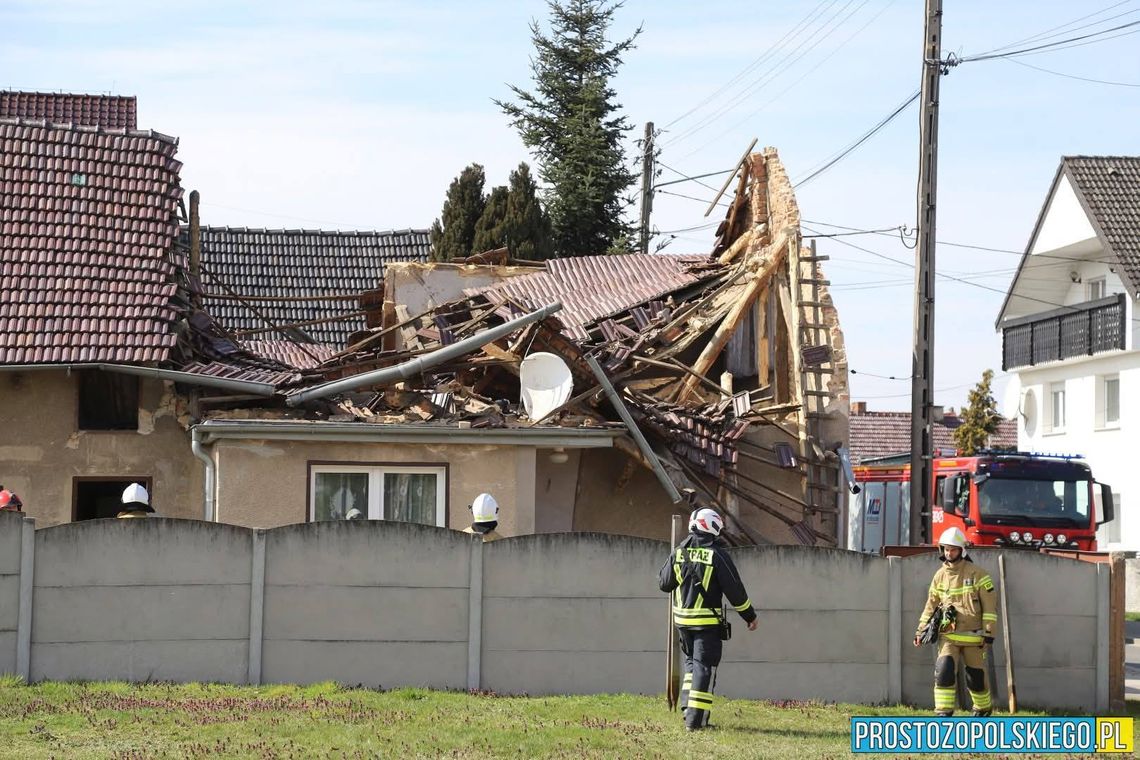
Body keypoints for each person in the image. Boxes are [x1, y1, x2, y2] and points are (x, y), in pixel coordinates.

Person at [658, 507, 758, 731]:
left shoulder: (679, 552)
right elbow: (735, 591)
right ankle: (696, 722)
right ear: (711, 527)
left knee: (692, 664)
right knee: (704, 668)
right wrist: (749, 616)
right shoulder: (717, 555)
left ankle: (687, 711)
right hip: (706, 625)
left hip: (683, 623)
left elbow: (664, 584)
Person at [913, 526, 998, 716]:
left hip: (974, 638)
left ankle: (983, 709)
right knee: (944, 671)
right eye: (946, 549)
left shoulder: (978, 575)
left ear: (962, 550)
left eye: (953, 549)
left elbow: (990, 608)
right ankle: (943, 713)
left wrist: (989, 633)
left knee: (975, 677)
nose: (949, 553)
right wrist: (920, 631)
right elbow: (930, 606)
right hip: (948, 636)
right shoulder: (939, 576)